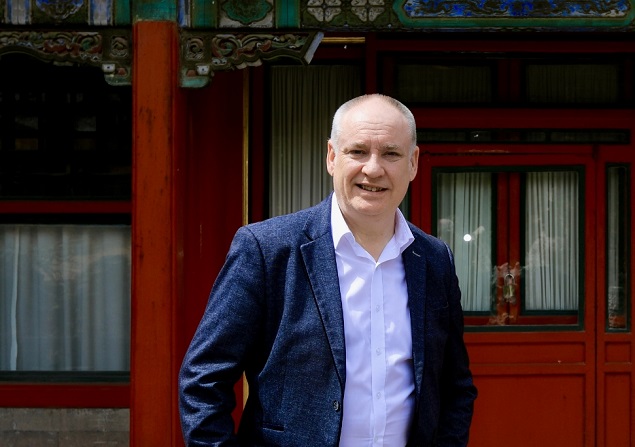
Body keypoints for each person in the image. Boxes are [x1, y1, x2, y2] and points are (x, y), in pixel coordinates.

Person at [179, 94, 477, 446]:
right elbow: (203, 381)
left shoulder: (434, 259)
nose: (373, 169)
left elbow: (455, 386)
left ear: (412, 163)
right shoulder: (267, 250)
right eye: (358, 151)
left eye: (391, 154)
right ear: (332, 157)